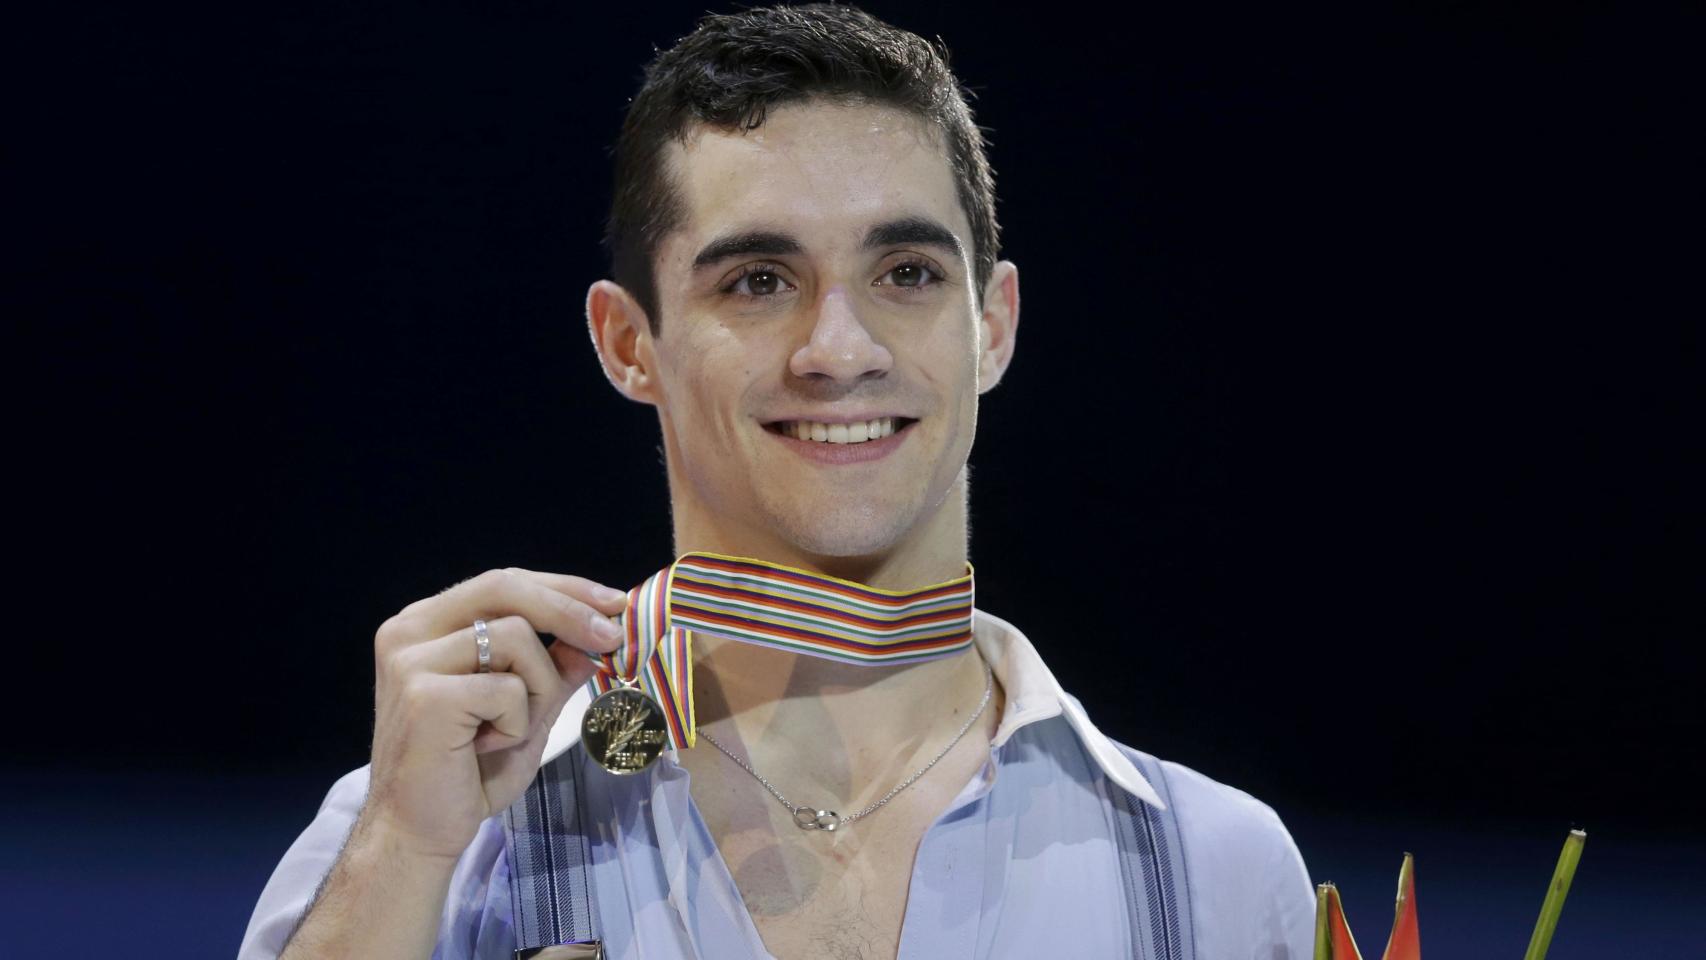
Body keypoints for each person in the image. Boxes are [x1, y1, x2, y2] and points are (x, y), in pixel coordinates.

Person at [240, 5, 1315, 959]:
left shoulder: (1213, 869)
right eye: (758, 281)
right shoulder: (431, 835)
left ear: (991, 327)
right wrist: (405, 848)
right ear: (628, 344)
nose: (838, 349)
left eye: (905, 274)